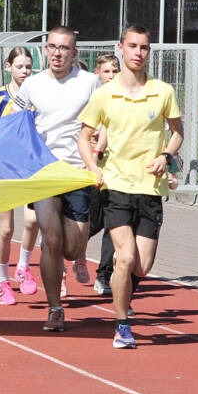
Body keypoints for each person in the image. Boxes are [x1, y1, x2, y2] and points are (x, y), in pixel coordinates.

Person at [78, 24, 183, 349]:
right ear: (120, 47)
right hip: (116, 185)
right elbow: (84, 137)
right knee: (124, 258)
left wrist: (165, 156)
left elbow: (177, 131)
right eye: (133, 46)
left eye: (144, 47)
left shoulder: (163, 91)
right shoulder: (104, 95)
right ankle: (122, 324)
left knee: (143, 264)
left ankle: (123, 290)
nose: (138, 52)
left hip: (151, 188)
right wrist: (95, 168)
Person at [12, 27, 100, 331]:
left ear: (74, 53)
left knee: (73, 248)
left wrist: (101, 145)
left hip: (77, 171)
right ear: (45, 51)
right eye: (52, 47)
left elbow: (105, 120)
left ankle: (69, 259)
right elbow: (15, 122)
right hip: (44, 171)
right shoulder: (32, 85)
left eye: (64, 48)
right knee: (50, 238)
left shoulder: (90, 83)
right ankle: (55, 307)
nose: (57, 53)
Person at [0, 47, 40, 305]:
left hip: (29, 167)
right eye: (19, 66)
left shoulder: (39, 95)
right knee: (6, 229)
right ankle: (2, 280)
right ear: (9, 67)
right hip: (4, 168)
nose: (24, 71)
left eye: (28, 67)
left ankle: (23, 266)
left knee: (33, 220)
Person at [90, 54, 121, 295]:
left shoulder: (125, 99)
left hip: (117, 172)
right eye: (107, 72)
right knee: (90, 224)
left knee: (113, 225)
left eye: (115, 71)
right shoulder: (93, 100)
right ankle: (64, 249)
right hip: (93, 170)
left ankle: (103, 276)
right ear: (98, 74)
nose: (111, 76)